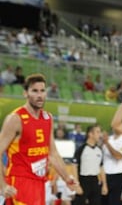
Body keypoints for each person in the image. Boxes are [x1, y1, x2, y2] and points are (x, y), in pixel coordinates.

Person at [0, 73, 77, 204]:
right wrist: (3, 185)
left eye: (42, 91)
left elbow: (52, 154)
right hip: (19, 183)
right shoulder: (15, 119)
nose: (39, 95)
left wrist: (66, 177)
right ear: (25, 93)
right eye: (34, 91)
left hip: (39, 183)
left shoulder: (48, 118)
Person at [72, 124, 108, 205]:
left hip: (95, 181)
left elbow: (101, 167)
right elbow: (74, 166)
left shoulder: (99, 150)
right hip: (83, 180)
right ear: (90, 134)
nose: (100, 134)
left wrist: (104, 184)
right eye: (98, 132)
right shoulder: (81, 149)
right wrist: (77, 184)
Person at [101, 128, 122, 205]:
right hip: (105, 175)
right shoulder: (109, 139)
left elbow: (118, 156)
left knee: (114, 202)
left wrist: (107, 143)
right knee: (103, 201)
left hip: (118, 175)